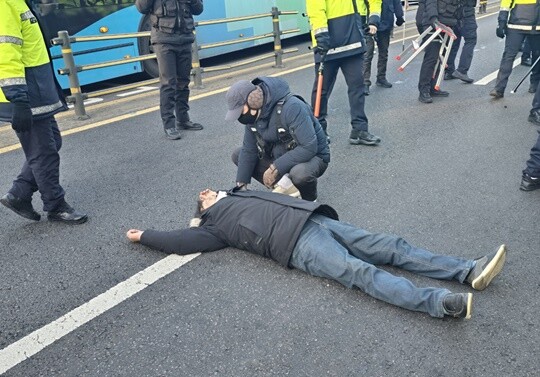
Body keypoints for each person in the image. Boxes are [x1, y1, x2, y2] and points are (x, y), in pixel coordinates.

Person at [126, 187, 507, 319]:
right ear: (202, 207)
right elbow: (180, 242)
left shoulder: (239, 192)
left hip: (316, 220)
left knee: (391, 245)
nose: (206, 191)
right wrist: (145, 235)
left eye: (208, 190)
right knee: (362, 274)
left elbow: (243, 161)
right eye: (202, 196)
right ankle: (441, 304)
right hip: (298, 245)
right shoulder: (214, 226)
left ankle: (468, 270)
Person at [0, 0, 87, 224]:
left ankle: (18, 194)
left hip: (35, 89)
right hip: (26, 93)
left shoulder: (20, 2)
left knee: (52, 143)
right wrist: (18, 98)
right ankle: (56, 206)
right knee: (43, 151)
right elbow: (6, 53)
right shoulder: (5, 4)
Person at [225, 77, 330, 202]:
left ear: (253, 101)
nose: (239, 117)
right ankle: (286, 188)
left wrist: (276, 167)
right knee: (238, 154)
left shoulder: (292, 107)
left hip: (313, 156)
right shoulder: (252, 117)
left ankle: (309, 200)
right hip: (281, 155)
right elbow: (249, 150)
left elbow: (308, 147)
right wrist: (241, 185)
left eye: (240, 111)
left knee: (299, 174)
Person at [306, 0, 382, 146]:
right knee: (322, 91)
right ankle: (318, 129)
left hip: (353, 41)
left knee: (357, 87)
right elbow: (316, 9)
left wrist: (373, 20)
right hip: (328, 44)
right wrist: (321, 36)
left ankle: (359, 129)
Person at [135, 0, 204, 140]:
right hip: (164, 39)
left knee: (183, 82)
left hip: (185, 37)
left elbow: (198, 9)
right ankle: (169, 125)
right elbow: (141, 7)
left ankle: (183, 119)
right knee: (168, 83)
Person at [489, 0, 540, 99]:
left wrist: (501, 22)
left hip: (520, 26)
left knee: (509, 56)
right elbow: (505, 4)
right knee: (534, 56)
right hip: (530, 27)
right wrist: (502, 22)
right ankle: (534, 84)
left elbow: (505, 5)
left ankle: (499, 89)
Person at [415, 0, 462, 103]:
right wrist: (434, 20)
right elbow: (431, 3)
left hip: (447, 24)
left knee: (440, 58)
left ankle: (432, 87)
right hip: (434, 24)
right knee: (431, 58)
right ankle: (424, 90)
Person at [363, 0, 405, 95]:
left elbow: (396, 2)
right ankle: (365, 82)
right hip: (369, 22)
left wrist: (399, 16)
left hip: (386, 20)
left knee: (383, 52)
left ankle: (381, 77)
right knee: (368, 53)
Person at [443, 0, 478, 84]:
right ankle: (462, 70)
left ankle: (449, 71)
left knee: (454, 41)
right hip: (466, 13)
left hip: (453, 13)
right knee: (470, 40)